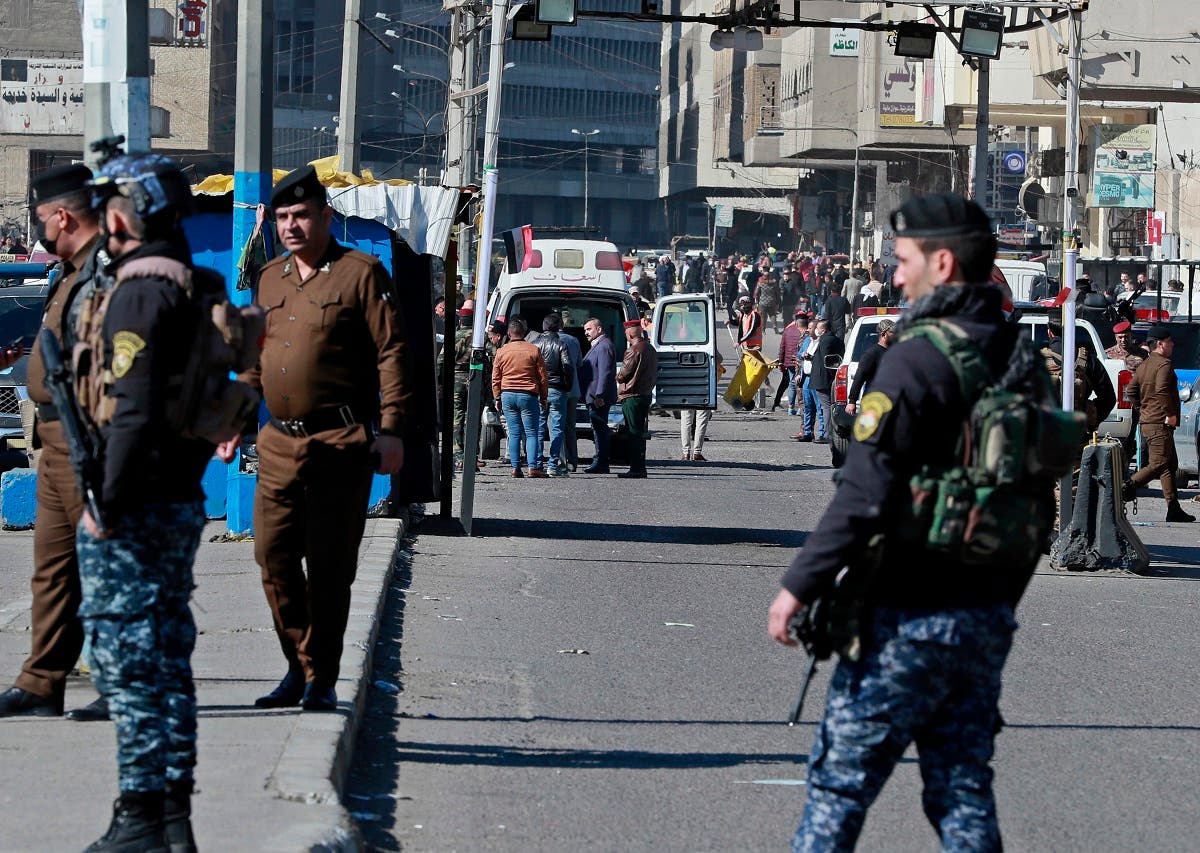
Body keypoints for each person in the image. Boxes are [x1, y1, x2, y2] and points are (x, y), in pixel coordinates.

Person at [769, 192, 1040, 851]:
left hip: (907, 616)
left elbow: (864, 492)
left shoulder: (915, 358)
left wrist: (797, 585)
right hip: (983, 617)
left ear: (942, 263)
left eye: (903, 259)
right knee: (962, 790)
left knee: (838, 788)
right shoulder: (1017, 358)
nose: (895, 274)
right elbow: (1030, 500)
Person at [73, 153, 247, 851]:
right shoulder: (193, 281)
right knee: (168, 653)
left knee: (131, 662)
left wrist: (105, 503)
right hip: (176, 495)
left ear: (127, 214)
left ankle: (141, 817)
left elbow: (134, 410)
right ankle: (172, 818)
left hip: (138, 505)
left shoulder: (142, 293)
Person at [247, 165, 410, 714]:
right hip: (277, 443)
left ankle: (320, 678)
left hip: (341, 440)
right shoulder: (268, 278)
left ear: (324, 217)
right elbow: (255, 356)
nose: (292, 225)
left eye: (302, 215)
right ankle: (299, 663)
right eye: (283, 217)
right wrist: (232, 419)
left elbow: (392, 353)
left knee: (330, 564)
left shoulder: (359, 274)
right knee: (272, 557)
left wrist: (390, 430)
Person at [0, 164, 110, 721]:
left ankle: (122, 684)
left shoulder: (106, 274)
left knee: (109, 568)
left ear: (61, 216)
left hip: (90, 439)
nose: (40, 229)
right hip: (53, 441)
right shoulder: (69, 273)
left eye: (42, 219)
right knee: (53, 567)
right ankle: (42, 681)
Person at [1124, 325, 1194, 522]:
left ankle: (1173, 508)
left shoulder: (1145, 365)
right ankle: (1125, 487)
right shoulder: (1164, 365)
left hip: (1149, 421)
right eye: (1170, 342)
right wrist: (1170, 413)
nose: (1172, 345)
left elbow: (1131, 390)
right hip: (1159, 423)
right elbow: (1162, 389)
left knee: (1169, 465)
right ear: (1161, 344)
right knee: (1158, 463)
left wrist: (1142, 409)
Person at [492, 316, 548, 478]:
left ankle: (516, 467)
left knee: (514, 432)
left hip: (508, 394)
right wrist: (544, 397)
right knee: (531, 432)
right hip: (528, 395)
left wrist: (497, 397)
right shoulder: (533, 350)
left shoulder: (502, 352)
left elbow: (496, 377)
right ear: (523, 332)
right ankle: (533, 467)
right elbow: (542, 377)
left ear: (509, 334)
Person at [532, 313, 575, 477]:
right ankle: (552, 465)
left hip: (539, 390)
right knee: (557, 429)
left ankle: (536, 463)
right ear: (558, 327)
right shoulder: (561, 344)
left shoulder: (535, 344)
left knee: (538, 428)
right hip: (557, 390)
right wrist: (567, 386)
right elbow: (568, 367)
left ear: (543, 326)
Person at [616, 319, 658, 478]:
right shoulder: (650, 348)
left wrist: (617, 377)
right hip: (645, 394)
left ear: (630, 333)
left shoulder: (633, 350)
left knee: (633, 432)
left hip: (632, 395)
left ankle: (636, 468)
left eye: (626, 333)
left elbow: (624, 374)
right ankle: (639, 465)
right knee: (640, 432)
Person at [581, 316, 617, 473]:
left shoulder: (603, 346)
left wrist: (600, 395)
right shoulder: (597, 345)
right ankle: (600, 461)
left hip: (598, 397)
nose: (586, 333)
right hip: (594, 395)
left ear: (599, 329)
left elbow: (605, 373)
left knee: (600, 429)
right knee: (598, 428)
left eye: (589, 329)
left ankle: (601, 462)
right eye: (585, 330)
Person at [844, 318, 896, 416]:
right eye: (893, 332)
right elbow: (860, 377)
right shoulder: (871, 354)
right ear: (883, 334)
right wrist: (852, 401)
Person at [450, 306, 476, 472]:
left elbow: (441, 360)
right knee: (472, 419)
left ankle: (458, 455)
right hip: (474, 379)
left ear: (460, 321)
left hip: (457, 380)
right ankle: (472, 456)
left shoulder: (456, 336)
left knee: (457, 418)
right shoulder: (481, 337)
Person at [809, 318, 843, 444]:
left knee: (826, 406)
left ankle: (826, 434)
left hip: (823, 378)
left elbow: (826, 360)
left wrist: (830, 377)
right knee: (827, 405)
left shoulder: (825, 340)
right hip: (828, 377)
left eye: (817, 328)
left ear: (822, 330)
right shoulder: (835, 339)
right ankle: (827, 433)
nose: (816, 330)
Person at [792, 316, 821, 441]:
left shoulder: (822, 342)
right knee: (807, 406)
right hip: (806, 377)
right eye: (808, 328)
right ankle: (807, 432)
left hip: (816, 377)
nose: (808, 330)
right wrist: (803, 356)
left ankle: (822, 433)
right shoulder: (808, 340)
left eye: (811, 328)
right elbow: (799, 355)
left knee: (819, 407)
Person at [772, 308, 805, 415]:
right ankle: (801, 407)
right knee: (802, 384)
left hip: (789, 361)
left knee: (791, 383)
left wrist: (781, 361)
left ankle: (791, 407)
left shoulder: (788, 330)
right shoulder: (807, 332)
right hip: (802, 362)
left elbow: (782, 347)